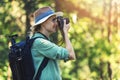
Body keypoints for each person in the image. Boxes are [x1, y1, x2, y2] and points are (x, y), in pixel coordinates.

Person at [30, 6, 76, 80]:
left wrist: (64, 33)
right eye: (53, 20)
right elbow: (71, 55)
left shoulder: (44, 40)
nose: (57, 23)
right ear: (43, 23)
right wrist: (65, 33)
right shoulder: (40, 42)